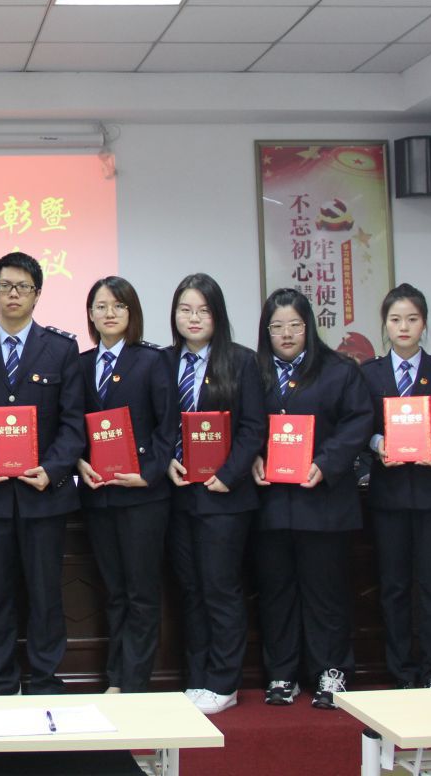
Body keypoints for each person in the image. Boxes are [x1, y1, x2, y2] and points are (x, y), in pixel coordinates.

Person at [0, 252, 85, 695]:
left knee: (45, 593)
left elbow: (73, 423)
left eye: (23, 287)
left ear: (37, 294)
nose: (13, 294)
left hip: (43, 496)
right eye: (5, 286)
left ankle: (45, 680)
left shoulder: (62, 349)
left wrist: (52, 469)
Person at [251, 288, 371, 709]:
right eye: (277, 326)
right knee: (277, 593)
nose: (286, 334)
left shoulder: (339, 370)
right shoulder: (253, 371)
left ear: (309, 327)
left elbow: (359, 421)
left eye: (294, 325)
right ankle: (282, 673)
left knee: (326, 593)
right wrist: (252, 458)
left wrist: (327, 461)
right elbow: (244, 425)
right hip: (271, 505)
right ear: (266, 331)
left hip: (323, 503)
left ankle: (331, 672)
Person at [360, 283, 431, 690]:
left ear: (424, 323)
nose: (403, 327)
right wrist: (377, 444)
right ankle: (402, 672)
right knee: (393, 589)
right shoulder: (369, 373)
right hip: (388, 496)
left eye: (412, 319)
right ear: (385, 325)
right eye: (395, 319)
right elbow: (358, 428)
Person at [164, 273, 265, 715]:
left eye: (203, 310)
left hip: (225, 497)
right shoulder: (165, 361)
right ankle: (198, 677)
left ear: (217, 315)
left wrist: (229, 474)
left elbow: (254, 427)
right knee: (190, 590)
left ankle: (224, 682)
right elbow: (158, 422)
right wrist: (165, 459)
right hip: (179, 495)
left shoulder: (241, 361)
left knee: (220, 588)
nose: (194, 318)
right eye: (185, 310)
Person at [76, 276, 177, 697]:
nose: (109, 313)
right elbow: (72, 424)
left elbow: (168, 427)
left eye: (119, 306)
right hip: (99, 495)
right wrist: (78, 461)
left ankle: (132, 683)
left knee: (140, 593)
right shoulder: (81, 364)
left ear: (131, 312)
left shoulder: (152, 360)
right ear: (90, 314)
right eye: (101, 306)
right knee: (114, 592)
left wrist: (149, 472)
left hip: (142, 497)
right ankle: (115, 677)